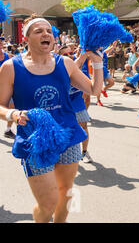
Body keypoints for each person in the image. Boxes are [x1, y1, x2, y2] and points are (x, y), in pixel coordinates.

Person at [0, 14, 103, 223]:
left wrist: (98, 64)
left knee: (65, 193)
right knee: (48, 203)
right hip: (35, 142)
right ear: (26, 38)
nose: (46, 34)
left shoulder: (65, 63)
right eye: (38, 31)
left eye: (48, 31)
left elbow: (94, 90)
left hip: (68, 137)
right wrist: (14, 114)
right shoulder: (11, 67)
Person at [58, 45, 93, 163]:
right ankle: (63, 153)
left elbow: (90, 90)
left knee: (84, 126)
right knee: (64, 131)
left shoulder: (77, 68)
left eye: (70, 53)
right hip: (62, 106)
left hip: (77, 103)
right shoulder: (58, 69)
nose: (69, 56)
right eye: (65, 54)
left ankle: (84, 152)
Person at [0, 37, 15, 139]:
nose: (0, 43)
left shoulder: (8, 56)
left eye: (1, 42)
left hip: (7, 86)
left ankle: (8, 130)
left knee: (12, 107)